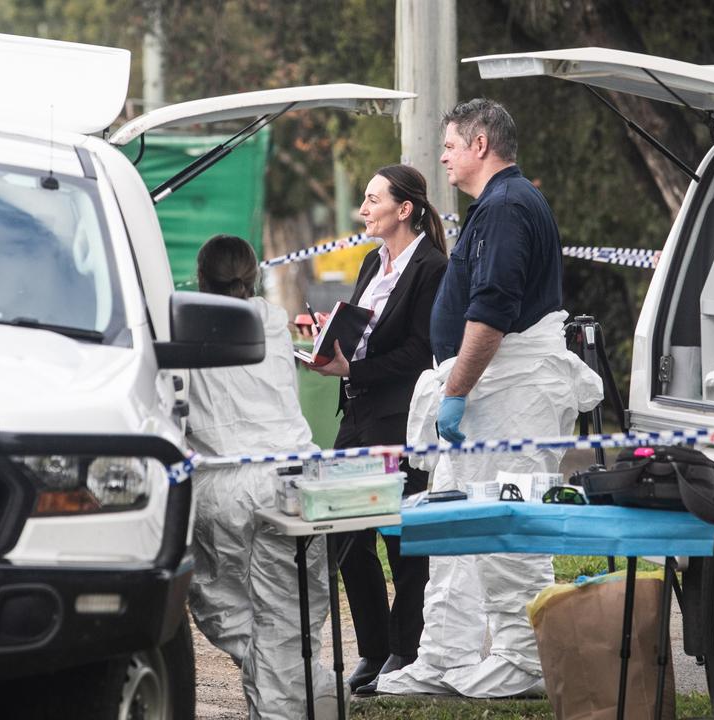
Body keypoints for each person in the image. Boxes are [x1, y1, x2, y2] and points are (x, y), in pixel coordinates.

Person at [377, 99, 603, 698]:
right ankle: (442, 658)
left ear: (480, 145)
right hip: (483, 393)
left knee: (507, 525)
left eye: (450, 144)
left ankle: (526, 659)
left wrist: (454, 391)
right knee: (456, 529)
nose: (443, 155)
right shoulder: (494, 206)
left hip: (509, 395)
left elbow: (494, 311)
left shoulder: (507, 207)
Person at [305, 165, 449, 694]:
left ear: (404, 209)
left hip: (398, 416)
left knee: (402, 533)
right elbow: (365, 333)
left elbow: (420, 351)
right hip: (358, 412)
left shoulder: (431, 268)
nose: (363, 210)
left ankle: (405, 648)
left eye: (372, 200)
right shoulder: (372, 261)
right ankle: (374, 646)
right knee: (346, 530)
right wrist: (331, 344)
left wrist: (355, 369)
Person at [185, 235, 337, 720]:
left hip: (223, 482)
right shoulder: (273, 322)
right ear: (253, 275)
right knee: (294, 614)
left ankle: (289, 705)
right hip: (296, 477)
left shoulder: (183, 325)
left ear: (201, 276)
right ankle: (313, 697)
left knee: (217, 603)